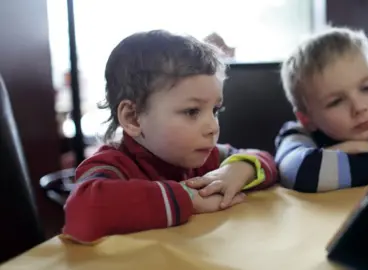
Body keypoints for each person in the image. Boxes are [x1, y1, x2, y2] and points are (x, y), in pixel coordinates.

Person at [62, 30, 277, 243]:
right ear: (133, 118)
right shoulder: (113, 166)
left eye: (215, 110)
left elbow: (265, 159)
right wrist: (188, 198)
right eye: (192, 111)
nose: (213, 127)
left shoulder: (207, 159)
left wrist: (239, 169)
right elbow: (82, 209)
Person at [275, 27, 368, 193]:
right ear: (307, 120)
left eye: (367, 88)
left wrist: (364, 149)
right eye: (336, 102)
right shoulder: (297, 133)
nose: (359, 108)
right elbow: (300, 172)